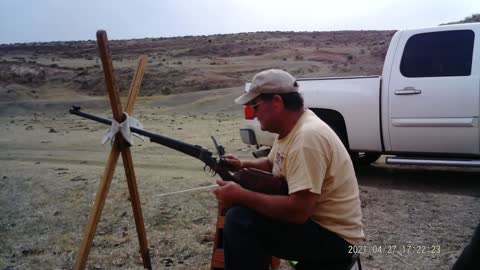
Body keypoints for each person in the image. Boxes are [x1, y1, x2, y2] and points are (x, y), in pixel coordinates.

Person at [213, 69, 364, 270]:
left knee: (239, 221)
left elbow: (298, 211)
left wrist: (240, 195)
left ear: (276, 102)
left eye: (255, 106)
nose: (253, 113)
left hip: (337, 241)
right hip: (318, 228)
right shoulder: (292, 128)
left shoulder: (307, 138)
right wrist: (242, 164)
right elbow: (270, 163)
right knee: (242, 214)